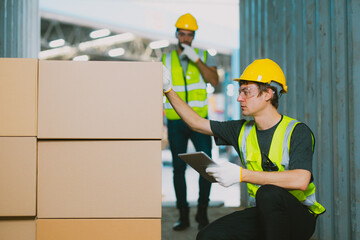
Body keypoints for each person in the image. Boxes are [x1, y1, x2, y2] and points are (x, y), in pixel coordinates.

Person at [162, 58, 326, 239]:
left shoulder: (296, 131)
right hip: (263, 212)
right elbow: (197, 124)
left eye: (246, 92)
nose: (240, 98)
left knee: (268, 192)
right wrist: (168, 90)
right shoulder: (241, 130)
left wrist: (241, 175)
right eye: (240, 92)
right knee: (207, 237)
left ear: (268, 94)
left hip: (299, 217)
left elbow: (301, 179)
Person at [162, 13, 219, 231]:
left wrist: (195, 58)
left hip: (200, 121)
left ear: (193, 36)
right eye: (182, 34)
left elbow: (214, 81)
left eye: (189, 35)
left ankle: (202, 214)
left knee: (206, 166)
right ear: (177, 34)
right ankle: (183, 215)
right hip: (176, 121)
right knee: (178, 169)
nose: (185, 38)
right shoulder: (165, 59)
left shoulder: (203, 56)